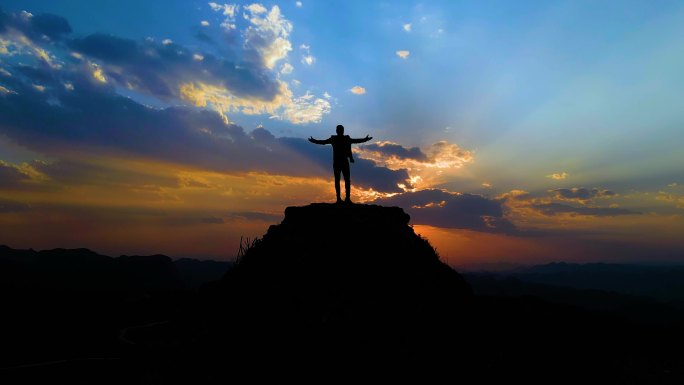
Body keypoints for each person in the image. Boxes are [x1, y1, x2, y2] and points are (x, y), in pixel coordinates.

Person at [309, 125, 372, 203]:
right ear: (337, 131)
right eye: (339, 129)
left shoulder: (345, 138)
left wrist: (365, 139)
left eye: (341, 129)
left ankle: (347, 198)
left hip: (343, 161)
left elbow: (356, 141)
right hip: (338, 162)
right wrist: (314, 140)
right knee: (338, 180)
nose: (340, 131)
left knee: (346, 180)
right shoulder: (334, 138)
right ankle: (339, 198)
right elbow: (323, 142)